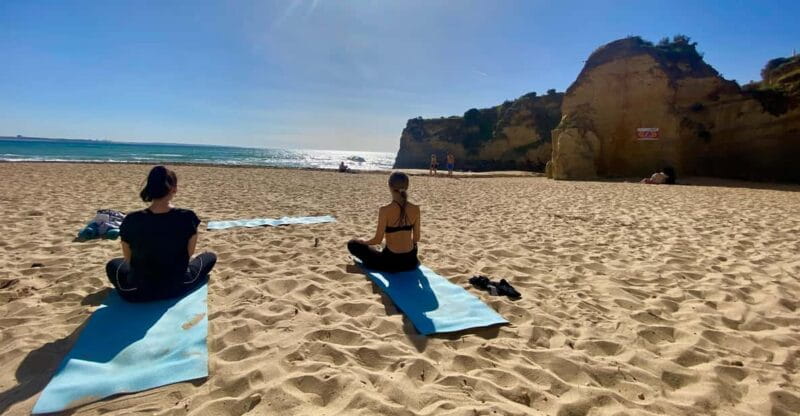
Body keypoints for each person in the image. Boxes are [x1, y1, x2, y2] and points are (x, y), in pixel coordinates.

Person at [105, 166, 216, 302]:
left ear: (149, 188)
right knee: (209, 256)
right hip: (176, 286)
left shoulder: (132, 219)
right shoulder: (187, 217)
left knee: (113, 264)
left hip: (137, 291)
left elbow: (128, 258)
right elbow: (189, 253)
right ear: (174, 189)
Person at [348, 171, 420, 272]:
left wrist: (364, 242)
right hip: (411, 261)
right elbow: (416, 238)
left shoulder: (385, 210)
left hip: (390, 263)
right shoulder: (416, 209)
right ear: (407, 187)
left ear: (389, 186)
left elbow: (377, 240)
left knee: (352, 244)